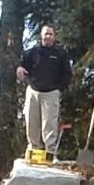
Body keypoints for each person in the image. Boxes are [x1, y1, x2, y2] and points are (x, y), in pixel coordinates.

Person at [16, 24, 73, 162]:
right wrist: (20, 69)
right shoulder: (32, 52)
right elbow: (21, 65)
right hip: (33, 92)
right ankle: (33, 151)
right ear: (41, 36)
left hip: (51, 93)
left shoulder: (61, 54)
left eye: (50, 34)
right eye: (45, 34)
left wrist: (59, 88)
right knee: (31, 122)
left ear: (54, 36)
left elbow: (67, 74)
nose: (48, 36)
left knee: (50, 124)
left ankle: (50, 154)